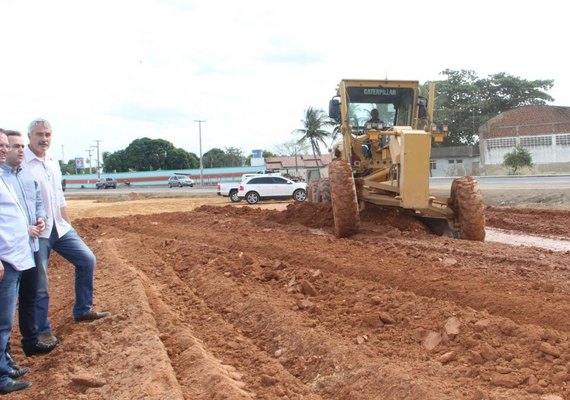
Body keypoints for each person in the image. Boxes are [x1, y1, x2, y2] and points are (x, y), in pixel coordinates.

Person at [24, 118, 111, 347]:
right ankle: (41, 331)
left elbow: (59, 197)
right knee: (40, 282)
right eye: (39, 134)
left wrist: (69, 224)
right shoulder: (22, 163)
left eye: (48, 134)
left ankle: (83, 309)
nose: (44, 139)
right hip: (38, 232)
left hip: (60, 227)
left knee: (87, 260)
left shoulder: (52, 162)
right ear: (29, 137)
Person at [2, 130, 58, 358]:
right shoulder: (3, 178)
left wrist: (40, 217)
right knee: (4, 313)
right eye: (12, 146)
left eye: (18, 146)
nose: (17, 150)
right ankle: (4, 363)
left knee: (30, 295)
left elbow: (37, 203)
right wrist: (25, 228)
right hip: (9, 251)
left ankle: (31, 341)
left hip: (29, 247)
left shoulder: (25, 176)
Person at [0, 130, 33, 394]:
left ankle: (5, 365)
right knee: (1, 322)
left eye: (4, 145)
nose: (4, 149)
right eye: (1, 145)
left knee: (4, 321)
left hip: (15, 257)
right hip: (5, 260)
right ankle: (1, 378)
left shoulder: (5, 178)